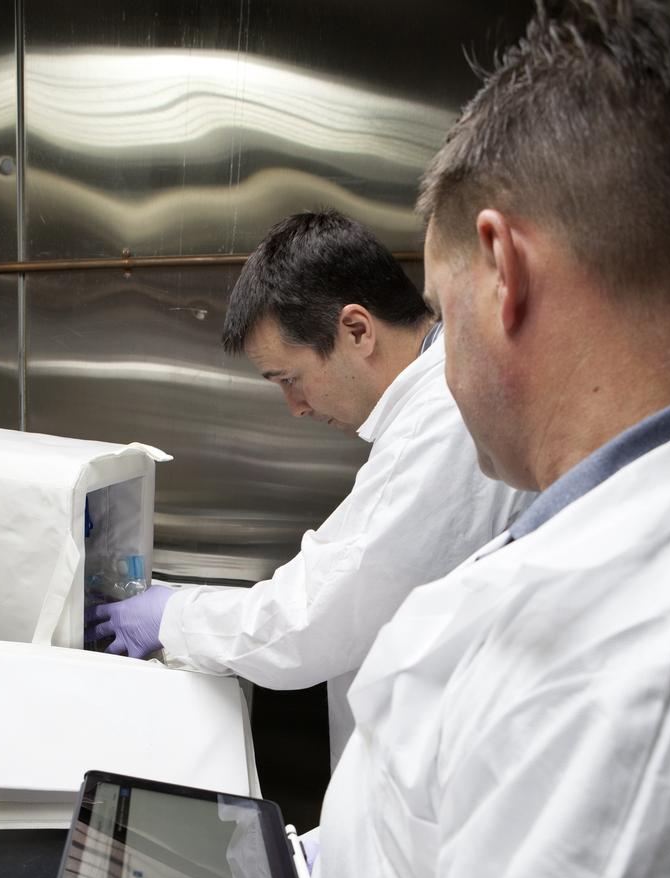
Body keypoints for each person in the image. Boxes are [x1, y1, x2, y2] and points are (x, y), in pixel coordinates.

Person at [177, 2, 670, 878]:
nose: (439, 351)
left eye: (445, 306)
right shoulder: (618, 528)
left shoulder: (645, 651)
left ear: (502, 268)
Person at [88, 211, 528, 766]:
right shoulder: (429, 410)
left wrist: (173, 617)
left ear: (358, 330)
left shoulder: (441, 422)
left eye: (290, 379)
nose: (295, 407)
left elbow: (311, 621)